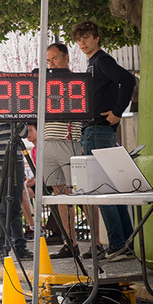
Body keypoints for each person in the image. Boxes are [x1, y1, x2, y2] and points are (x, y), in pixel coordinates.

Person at [72, 20, 137, 259]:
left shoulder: (102, 60)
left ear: (97, 37)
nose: (82, 42)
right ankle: (126, 242)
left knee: (102, 190)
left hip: (99, 130)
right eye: (79, 39)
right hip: (94, 130)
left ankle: (118, 243)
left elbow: (128, 80)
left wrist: (118, 111)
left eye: (87, 37)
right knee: (110, 189)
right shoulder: (93, 63)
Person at [44, 42, 84, 260]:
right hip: (47, 142)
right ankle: (70, 243)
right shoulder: (45, 84)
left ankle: (96, 244)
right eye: (48, 60)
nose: (51, 64)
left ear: (66, 57)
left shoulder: (76, 81)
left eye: (55, 59)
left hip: (69, 141)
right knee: (58, 194)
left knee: (83, 194)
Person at [0, 121, 34, 264]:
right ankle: (2, 249)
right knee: (2, 209)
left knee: (16, 208)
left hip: (16, 161)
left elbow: (23, 133)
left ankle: (20, 248)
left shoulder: (17, 112)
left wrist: (18, 120)